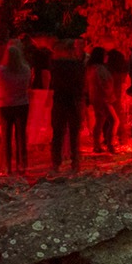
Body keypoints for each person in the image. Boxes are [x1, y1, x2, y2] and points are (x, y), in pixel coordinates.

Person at [0, 38, 32, 175]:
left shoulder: (1, 70)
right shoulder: (26, 70)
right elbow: (28, 84)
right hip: (22, 104)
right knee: (21, 136)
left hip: (5, 105)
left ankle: (7, 166)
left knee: (6, 136)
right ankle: (22, 165)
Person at [49, 37, 86, 171]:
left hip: (59, 100)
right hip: (74, 100)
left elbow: (52, 83)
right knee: (74, 133)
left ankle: (56, 162)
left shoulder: (55, 65)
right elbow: (81, 84)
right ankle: (75, 162)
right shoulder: (78, 65)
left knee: (58, 132)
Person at [84, 45, 117, 153]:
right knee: (114, 120)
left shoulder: (91, 68)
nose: (107, 56)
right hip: (103, 98)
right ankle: (110, 144)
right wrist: (110, 96)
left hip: (95, 97)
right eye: (105, 54)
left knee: (99, 121)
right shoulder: (100, 69)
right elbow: (105, 84)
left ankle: (97, 145)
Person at [25, 31, 53, 149]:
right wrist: (47, 93)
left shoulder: (35, 62)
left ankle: (33, 140)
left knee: (34, 116)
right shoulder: (46, 62)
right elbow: (45, 75)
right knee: (44, 116)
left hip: (35, 88)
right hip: (42, 90)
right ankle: (40, 140)